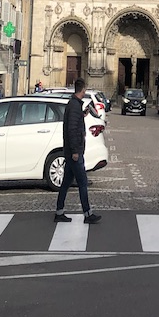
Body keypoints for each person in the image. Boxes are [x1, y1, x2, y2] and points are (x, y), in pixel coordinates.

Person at [54, 78, 101, 225]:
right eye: (85, 89)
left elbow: (73, 123)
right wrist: (75, 151)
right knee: (82, 182)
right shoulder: (74, 106)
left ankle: (59, 212)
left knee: (66, 182)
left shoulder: (74, 105)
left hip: (72, 151)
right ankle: (88, 214)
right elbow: (72, 130)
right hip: (74, 152)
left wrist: (83, 114)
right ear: (83, 90)